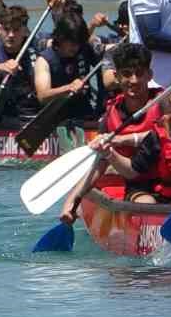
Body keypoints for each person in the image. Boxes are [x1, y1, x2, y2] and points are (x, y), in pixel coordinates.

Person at [57, 42, 159, 224]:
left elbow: (162, 134)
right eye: (126, 74)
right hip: (140, 186)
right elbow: (99, 165)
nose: (134, 80)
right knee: (147, 204)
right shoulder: (110, 116)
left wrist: (121, 140)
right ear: (116, 77)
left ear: (149, 75)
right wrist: (72, 200)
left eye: (139, 73)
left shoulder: (165, 104)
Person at [96, 72, 171, 203]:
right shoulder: (159, 133)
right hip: (164, 197)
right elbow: (132, 171)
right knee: (146, 202)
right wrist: (109, 153)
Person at [32, 0, 103, 122]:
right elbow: (42, 96)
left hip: (85, 116)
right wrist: (68, 88)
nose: (76, 46)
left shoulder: (83, 48)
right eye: (71, 42)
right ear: (60, 38)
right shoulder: (44, 60)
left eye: (78, 42)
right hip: (55, 119)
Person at [0, 0, 41, 122]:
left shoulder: (35, 44)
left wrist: (57, 12)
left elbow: (60, 43)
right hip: (0, 116)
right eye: (6, 29)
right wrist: (1, 67)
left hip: (32, 113)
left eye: (16, 30)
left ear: (25, 30)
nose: (11, 35)